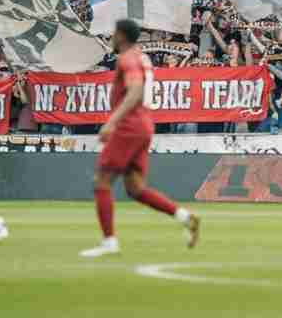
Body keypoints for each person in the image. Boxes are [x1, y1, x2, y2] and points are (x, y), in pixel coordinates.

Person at [80, 19, 200, 258]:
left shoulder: (126, 58)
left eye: (114, 33)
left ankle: (109, 242)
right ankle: (186, 218)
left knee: (101, 181)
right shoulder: (141, 56)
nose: (112, 36)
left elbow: (135, 90)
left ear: (122, 36)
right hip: (144, 124)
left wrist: (112, 122)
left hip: (128, 126)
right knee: (135, 188)